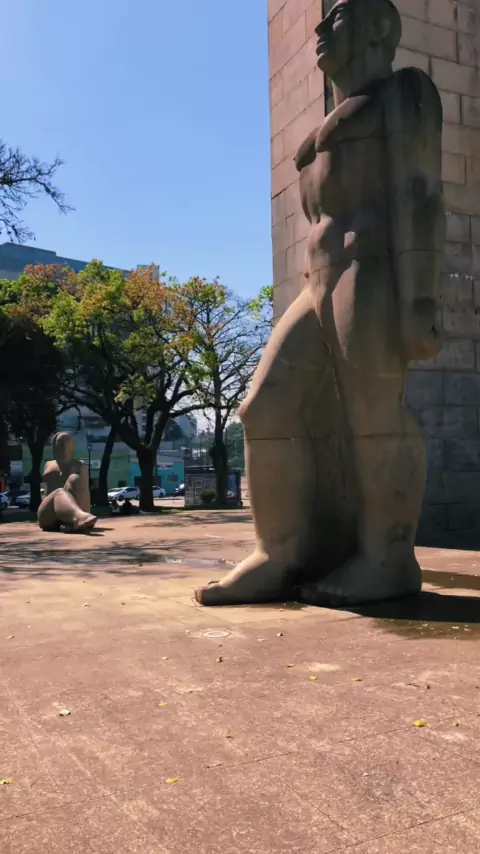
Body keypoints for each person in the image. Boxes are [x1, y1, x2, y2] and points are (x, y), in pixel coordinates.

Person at [196, 0, 445, 607]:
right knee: (263, 408)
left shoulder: (404, 93)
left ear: (378, 26)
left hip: (372, 268)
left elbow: (420, 195)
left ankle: (388, 555)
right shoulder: (334, 114)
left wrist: (420, 298)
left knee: (374, 414)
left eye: (337, 17)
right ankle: (278, 553)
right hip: (320, 279)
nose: (319, 28)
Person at [37, 432, 97, 533]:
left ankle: (75, 521)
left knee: (74, 478)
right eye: (61, 444)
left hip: (67, 517)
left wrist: (86, 512)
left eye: (68, 444)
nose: (65, 448)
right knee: (60, 492)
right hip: (47, 514)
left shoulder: (79, 466)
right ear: (55, 447)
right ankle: (77, 517)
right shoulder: (49, 465)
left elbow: (85, 494)